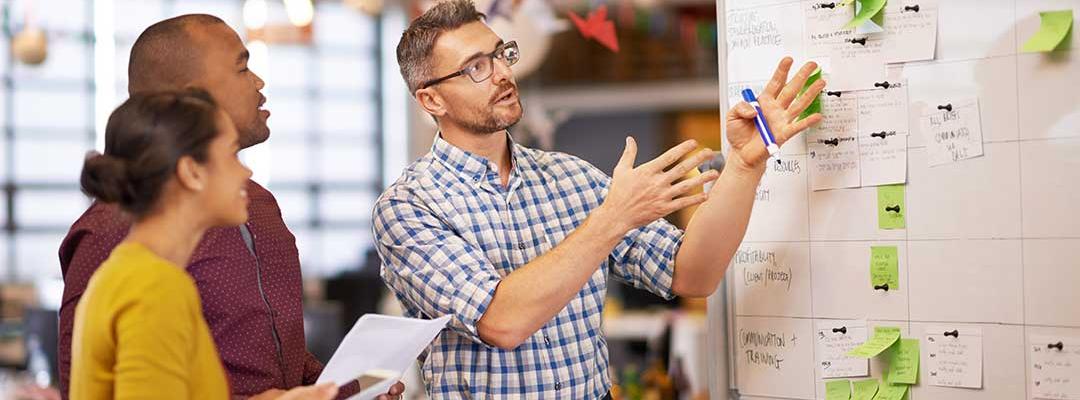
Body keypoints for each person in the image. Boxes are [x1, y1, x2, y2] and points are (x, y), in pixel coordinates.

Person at [374, 0, 825, 398]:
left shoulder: (570, 177)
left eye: (500, 54)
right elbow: (501, 321)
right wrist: (613, 218)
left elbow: (693, 272)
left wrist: (745, 166)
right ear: (431, 99)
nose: (504, 73)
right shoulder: (408, 207)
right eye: (477, 67)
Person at [57, 15, 403, 400]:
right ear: (190, 99)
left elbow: (276, 359)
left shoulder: (257, 207)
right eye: (243, 67)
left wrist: (348, 389)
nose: (259, 82)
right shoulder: (138, 266)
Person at [70, 89, 337, 400]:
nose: (246, 171)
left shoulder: (130, 272)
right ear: (192, 172)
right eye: (231, 155)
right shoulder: (154, 286)